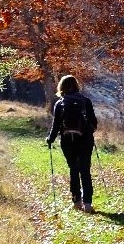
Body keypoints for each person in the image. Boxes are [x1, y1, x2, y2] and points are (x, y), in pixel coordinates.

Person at [46, 75, 99, 213]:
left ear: (61, 87)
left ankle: (76, 201)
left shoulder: (60, 103)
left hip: (67, 141)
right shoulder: (86, 101)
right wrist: (88, 131)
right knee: (85, 171)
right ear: (76, 85)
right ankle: (88, 204)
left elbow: (56, 125)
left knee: (74, 170)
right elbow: (94, 123)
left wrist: (50, 140)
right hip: (85, 140)